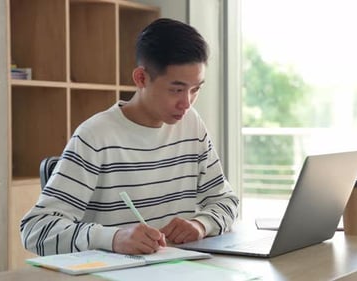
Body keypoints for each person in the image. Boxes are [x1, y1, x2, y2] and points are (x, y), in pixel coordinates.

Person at [20, 18, 239, 256]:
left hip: (175, 271)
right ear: (141, 78)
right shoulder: (95, 136)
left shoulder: (191, 125)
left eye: (195, 89)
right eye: (176, 90)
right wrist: (113, 237)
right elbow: (36, 230)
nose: (186, 103)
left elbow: (226, 201)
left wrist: (200, 225)